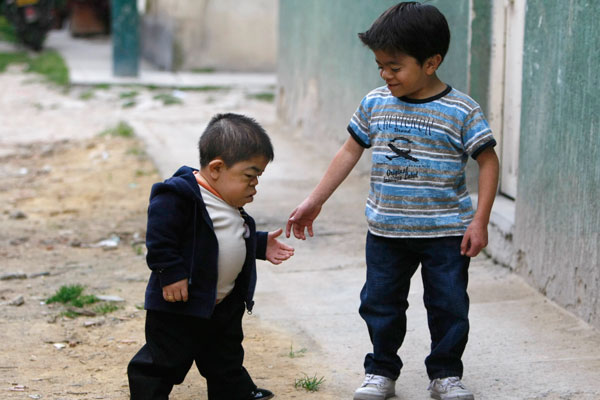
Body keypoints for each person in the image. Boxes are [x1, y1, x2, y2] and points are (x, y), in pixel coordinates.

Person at [286, 2, 499, 400]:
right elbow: (349, 151)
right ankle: (381, 370)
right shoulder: (375, 103)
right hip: (386, 230)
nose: (385, 74)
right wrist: (316, 200)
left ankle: (446, 374)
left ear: (431, 62)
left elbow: (488, 161)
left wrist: (480, 221)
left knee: (449, 306)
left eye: (395, 66)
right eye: (380, 65)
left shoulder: (461, 110)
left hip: (446, 233)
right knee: (380, 304)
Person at [128, 113, 295, 400]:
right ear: (217, 167)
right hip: (179, 304)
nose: (255, 185)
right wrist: (171, 274)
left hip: (221, 303)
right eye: (249, 176)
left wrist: (257, 245)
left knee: (225, 357)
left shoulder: (225, 198)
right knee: (163, 360)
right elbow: (160, 238)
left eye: (258, 178)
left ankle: (235, 393)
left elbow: (222, 237)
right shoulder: (179, 195)